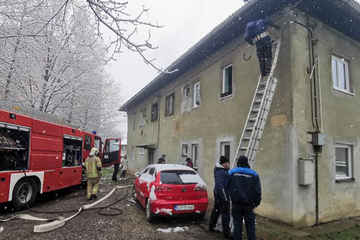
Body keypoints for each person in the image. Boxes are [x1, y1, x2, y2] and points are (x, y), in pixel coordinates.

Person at [227, 156, 262, 240]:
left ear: (238, 162)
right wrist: (255, 204)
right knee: (250, 227)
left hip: (236, 204)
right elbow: (257, 191)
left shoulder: (232, 172)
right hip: (249, 205)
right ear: (247, 163)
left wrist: (233, 195)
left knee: (237, 226)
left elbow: (227, 186)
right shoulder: (254, 174)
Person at [209, 156, 233, 239]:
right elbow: (220, 186)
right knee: (225, 213)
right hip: (221, 195)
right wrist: (225, 197)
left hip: (218, 193)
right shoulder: (221, 172)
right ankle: (226, 232)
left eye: (227, 162)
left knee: (217, 209)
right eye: (225, 163)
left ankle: (212, 225)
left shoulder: (221, 170)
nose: (227, 164)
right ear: (222, 163)